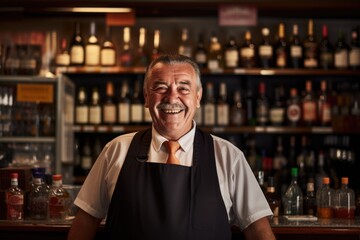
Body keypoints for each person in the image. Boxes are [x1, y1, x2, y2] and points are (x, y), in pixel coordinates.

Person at [68, 54, 275, 240]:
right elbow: (85, 221)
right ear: (147, 98)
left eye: (183, 88)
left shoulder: (229, 156)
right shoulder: (116, 150)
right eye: (160, 88)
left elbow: (258, 230)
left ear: (198, 97)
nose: (172, 97)